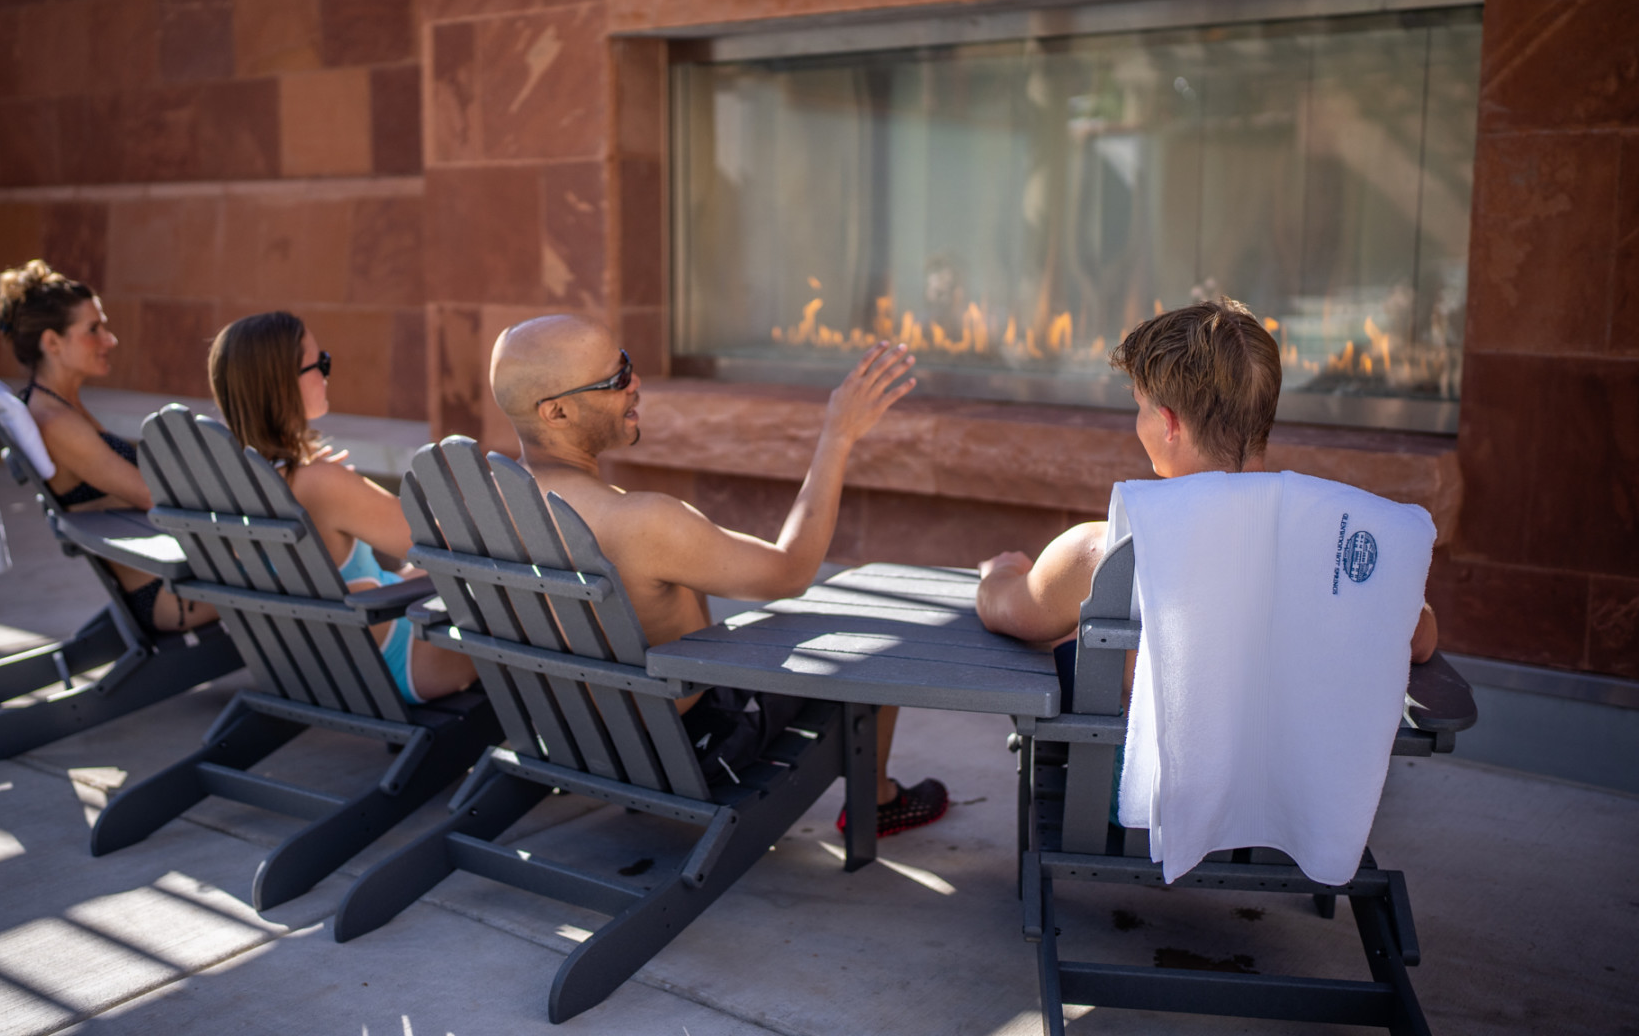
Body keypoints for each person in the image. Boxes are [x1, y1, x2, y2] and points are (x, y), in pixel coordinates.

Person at [488, 315, 948, 836]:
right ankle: (880, 801)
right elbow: (791, 570)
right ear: (557, 411)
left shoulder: (484, 503)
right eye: (615, 380)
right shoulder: (638, 522)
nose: (636, 383)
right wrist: (838, 434)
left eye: (627, 364)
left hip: (570, 738)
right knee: (872, 620)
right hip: (686, 748)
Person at [975, 297, 1439, 698]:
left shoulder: (1110, 551)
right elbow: (1422, 640)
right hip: (1294, 796)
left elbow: (1007, 610)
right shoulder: (1330, 543)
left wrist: (1002, 573)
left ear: (1169, 423)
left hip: (1149, 798)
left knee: (1075, 643)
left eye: (1140, 407)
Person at [207, 311, 476, 705]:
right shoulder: (320, 483)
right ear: (284, 384)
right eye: (321, 364)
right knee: (543, 613)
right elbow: (450, 548)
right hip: (397, 661)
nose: (327, 373)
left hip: (314, 663)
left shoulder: (230, 483)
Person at [0, 259, 217, 635]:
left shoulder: (58, 406)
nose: (109, 340)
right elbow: (150, 495)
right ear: (52, 343)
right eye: (93, 329)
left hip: (171, 577)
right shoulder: (57, 423)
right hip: (169, 595)